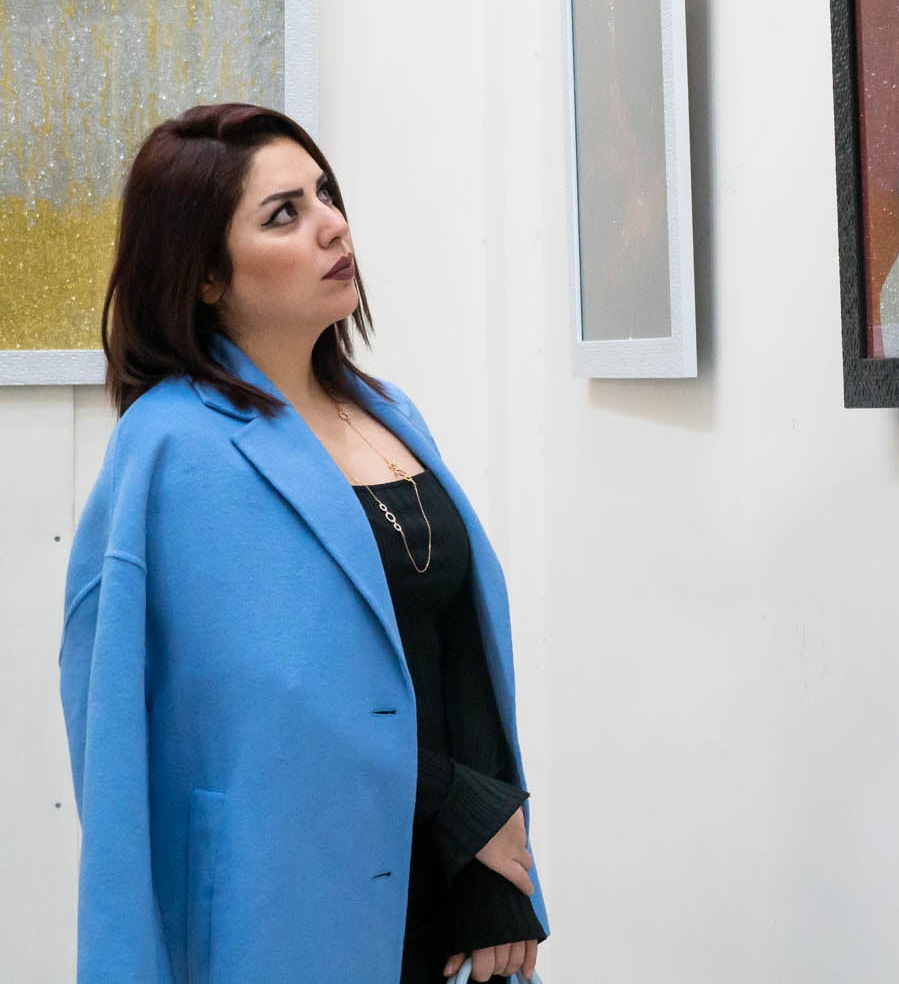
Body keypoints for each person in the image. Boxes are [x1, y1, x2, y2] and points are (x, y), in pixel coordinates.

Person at [57, 101, 547, 982]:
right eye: (284, 214)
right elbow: (173, 724)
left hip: (450, 902)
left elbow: (455, 650)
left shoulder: (389, 409)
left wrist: (497, 877)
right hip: (284, 904)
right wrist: (455, 801)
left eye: (325, 193)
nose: (332, 225)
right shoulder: (169, 447)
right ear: (207, 275)